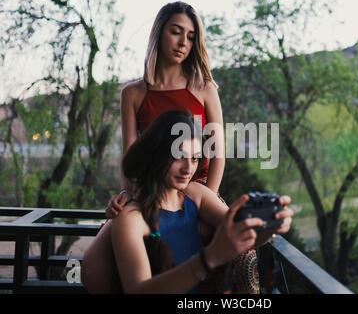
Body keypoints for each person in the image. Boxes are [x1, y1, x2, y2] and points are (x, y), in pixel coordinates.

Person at [81, 111, 294, 294]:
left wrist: (270, 226)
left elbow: (243, 235)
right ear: (157, 154)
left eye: (194, 158)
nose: (188, 168)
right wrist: (208, 258)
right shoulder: (131, 218)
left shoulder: (195, 194)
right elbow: (137, 290)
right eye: (179, 156)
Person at [106, 1, 225, 218]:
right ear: (159, 33)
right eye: (176, 32)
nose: (183, 43)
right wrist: (126, 192)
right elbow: (129, 156)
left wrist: (207, 200)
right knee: (114, 239)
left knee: (242, 246)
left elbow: (218, 154)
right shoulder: (132, 93)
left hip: (197, 191)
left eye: (190, 37)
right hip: (152, 193)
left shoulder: (205, 89)